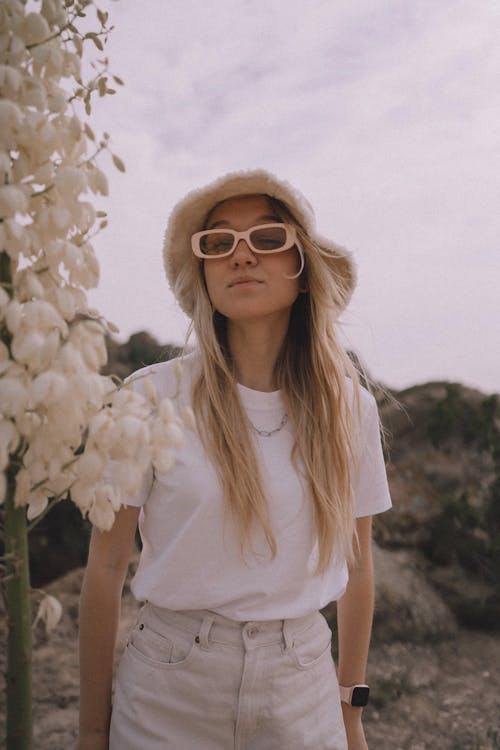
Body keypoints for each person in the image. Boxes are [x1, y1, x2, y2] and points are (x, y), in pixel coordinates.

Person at [78, 169, 392, 750]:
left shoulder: (348, 407)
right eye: (218, 243)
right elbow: (104, 570)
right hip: (168, 688)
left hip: (302, 688)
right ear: (203, 273)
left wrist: (351, 709)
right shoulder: (149, 398)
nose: (240, 255)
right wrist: (93, 732)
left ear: (302, 272)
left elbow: (358, 568)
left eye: (267, 239)